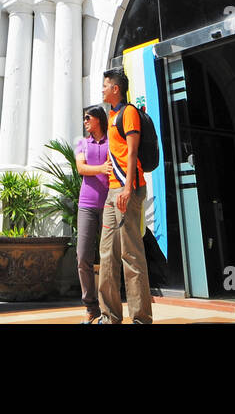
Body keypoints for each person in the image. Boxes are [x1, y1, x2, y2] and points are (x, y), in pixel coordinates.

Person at [97, 68, 153, 324]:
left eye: (105, 86)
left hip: (127, 188)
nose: (103, 89)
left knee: (130, 254)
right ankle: (109, 315)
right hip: (112, 191)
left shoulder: (129, 113)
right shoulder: (111, 115)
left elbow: (131, 153)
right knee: (107, 253)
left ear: (116, 89)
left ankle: (141, 318)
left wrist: (128, 188)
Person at [75, 105, 112, 323]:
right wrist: (100, 168)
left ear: (98, 119)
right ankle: (91, 307)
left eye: (88, 117)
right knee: (83, 257)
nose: (85, 121)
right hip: (86, 204)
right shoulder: (81, 142)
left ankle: (108, 308)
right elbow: (81, 168)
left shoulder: (112, 140)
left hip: (109, 204)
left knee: (108, 257)